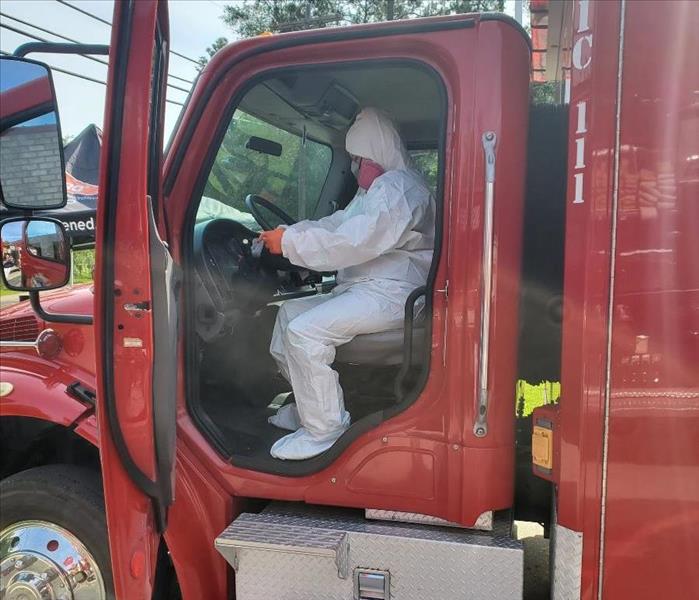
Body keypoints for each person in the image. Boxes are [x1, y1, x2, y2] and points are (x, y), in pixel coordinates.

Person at [260, 107, 435, 460]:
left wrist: (292, 245)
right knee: (287, 316)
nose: (356, 166)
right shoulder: (374, 192)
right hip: (369, 287)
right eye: (353, 159)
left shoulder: (399, 190)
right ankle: (312, 407)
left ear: (380, 153)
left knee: (304, 332)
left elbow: (357, 240)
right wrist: (291, 234)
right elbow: (338, 224)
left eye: (360, 158)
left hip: (394, 293)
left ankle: (325, 430)